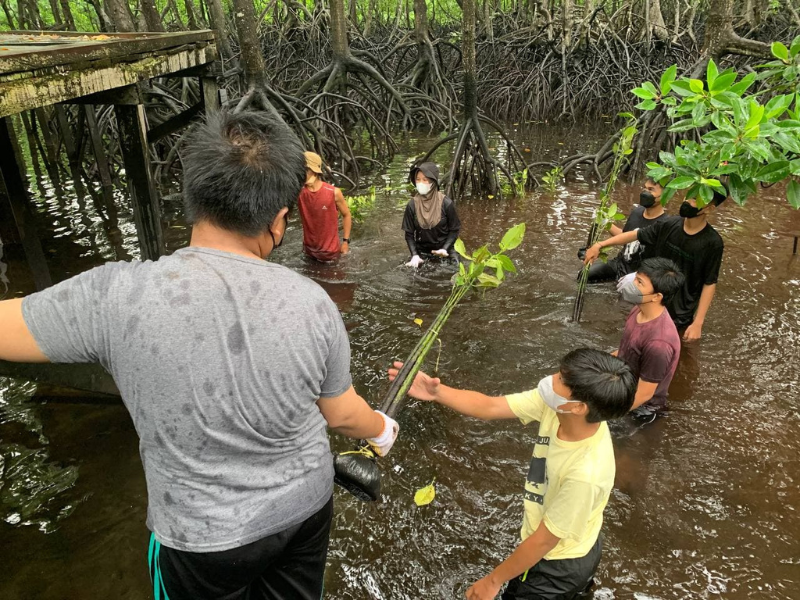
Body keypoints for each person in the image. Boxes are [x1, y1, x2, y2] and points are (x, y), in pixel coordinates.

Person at [0, 110, 399, 600]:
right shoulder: (314, 303)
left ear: (192, 198)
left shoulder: (115, 296)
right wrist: (381, 428)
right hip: (304, 513)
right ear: (278, 220)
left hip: (200, 539)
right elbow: (342, 415)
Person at [389, 348, 636, 600]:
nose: (551, 379)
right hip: (578, 538)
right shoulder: (561, 409)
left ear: (579, 407)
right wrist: (436, 392)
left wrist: (492, 581)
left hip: (557, 565)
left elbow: (544, 541)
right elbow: (490, 406)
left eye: (561, 380)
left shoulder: (585, 474)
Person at [584, 186, 727, 341]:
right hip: (651, 299)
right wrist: (600, 245)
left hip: (680, 311)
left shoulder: (713, 243)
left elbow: (709, 282)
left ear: (709, 208)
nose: (687, 201)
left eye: (695, 199)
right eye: (689, 196)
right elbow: (635, 235)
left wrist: (698, 323)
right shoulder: (669, 224)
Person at [615, 258, 685, 421]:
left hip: (642, 409)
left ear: (656, 296)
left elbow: (645, 394)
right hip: (624, 387)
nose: (631, 284)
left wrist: (607, 414)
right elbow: (628, 350)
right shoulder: (638, 310)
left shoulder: (659, 344)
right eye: (635, 278)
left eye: (639, 282)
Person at [584, 178, 672, 282]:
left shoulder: (665, 224)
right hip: (620, 264)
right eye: (645, 188)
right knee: (585, 274)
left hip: (640, 274)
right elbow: (624, 236)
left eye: (651, 189)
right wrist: (604, 223)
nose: (645, 192)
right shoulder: (637, 211)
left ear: (665, 195)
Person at [402, 162, 461, 268]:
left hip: (445, 249)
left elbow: (454, 230)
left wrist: (445, 248)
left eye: (425, 180)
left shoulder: (446, 203)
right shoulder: (412, 205)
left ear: (433, 182)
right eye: (418, 179)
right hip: (422, 251)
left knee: (456, 271)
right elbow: (409, 234)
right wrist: (414, 255)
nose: (421, 183)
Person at [297, 151, 352, 262]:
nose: (302, 173)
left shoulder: (333, 192)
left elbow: (346, 215)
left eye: (305, 170)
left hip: (330, 253)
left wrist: (345, 242)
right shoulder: (298, 193)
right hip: (308, 252)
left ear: (314, 171)